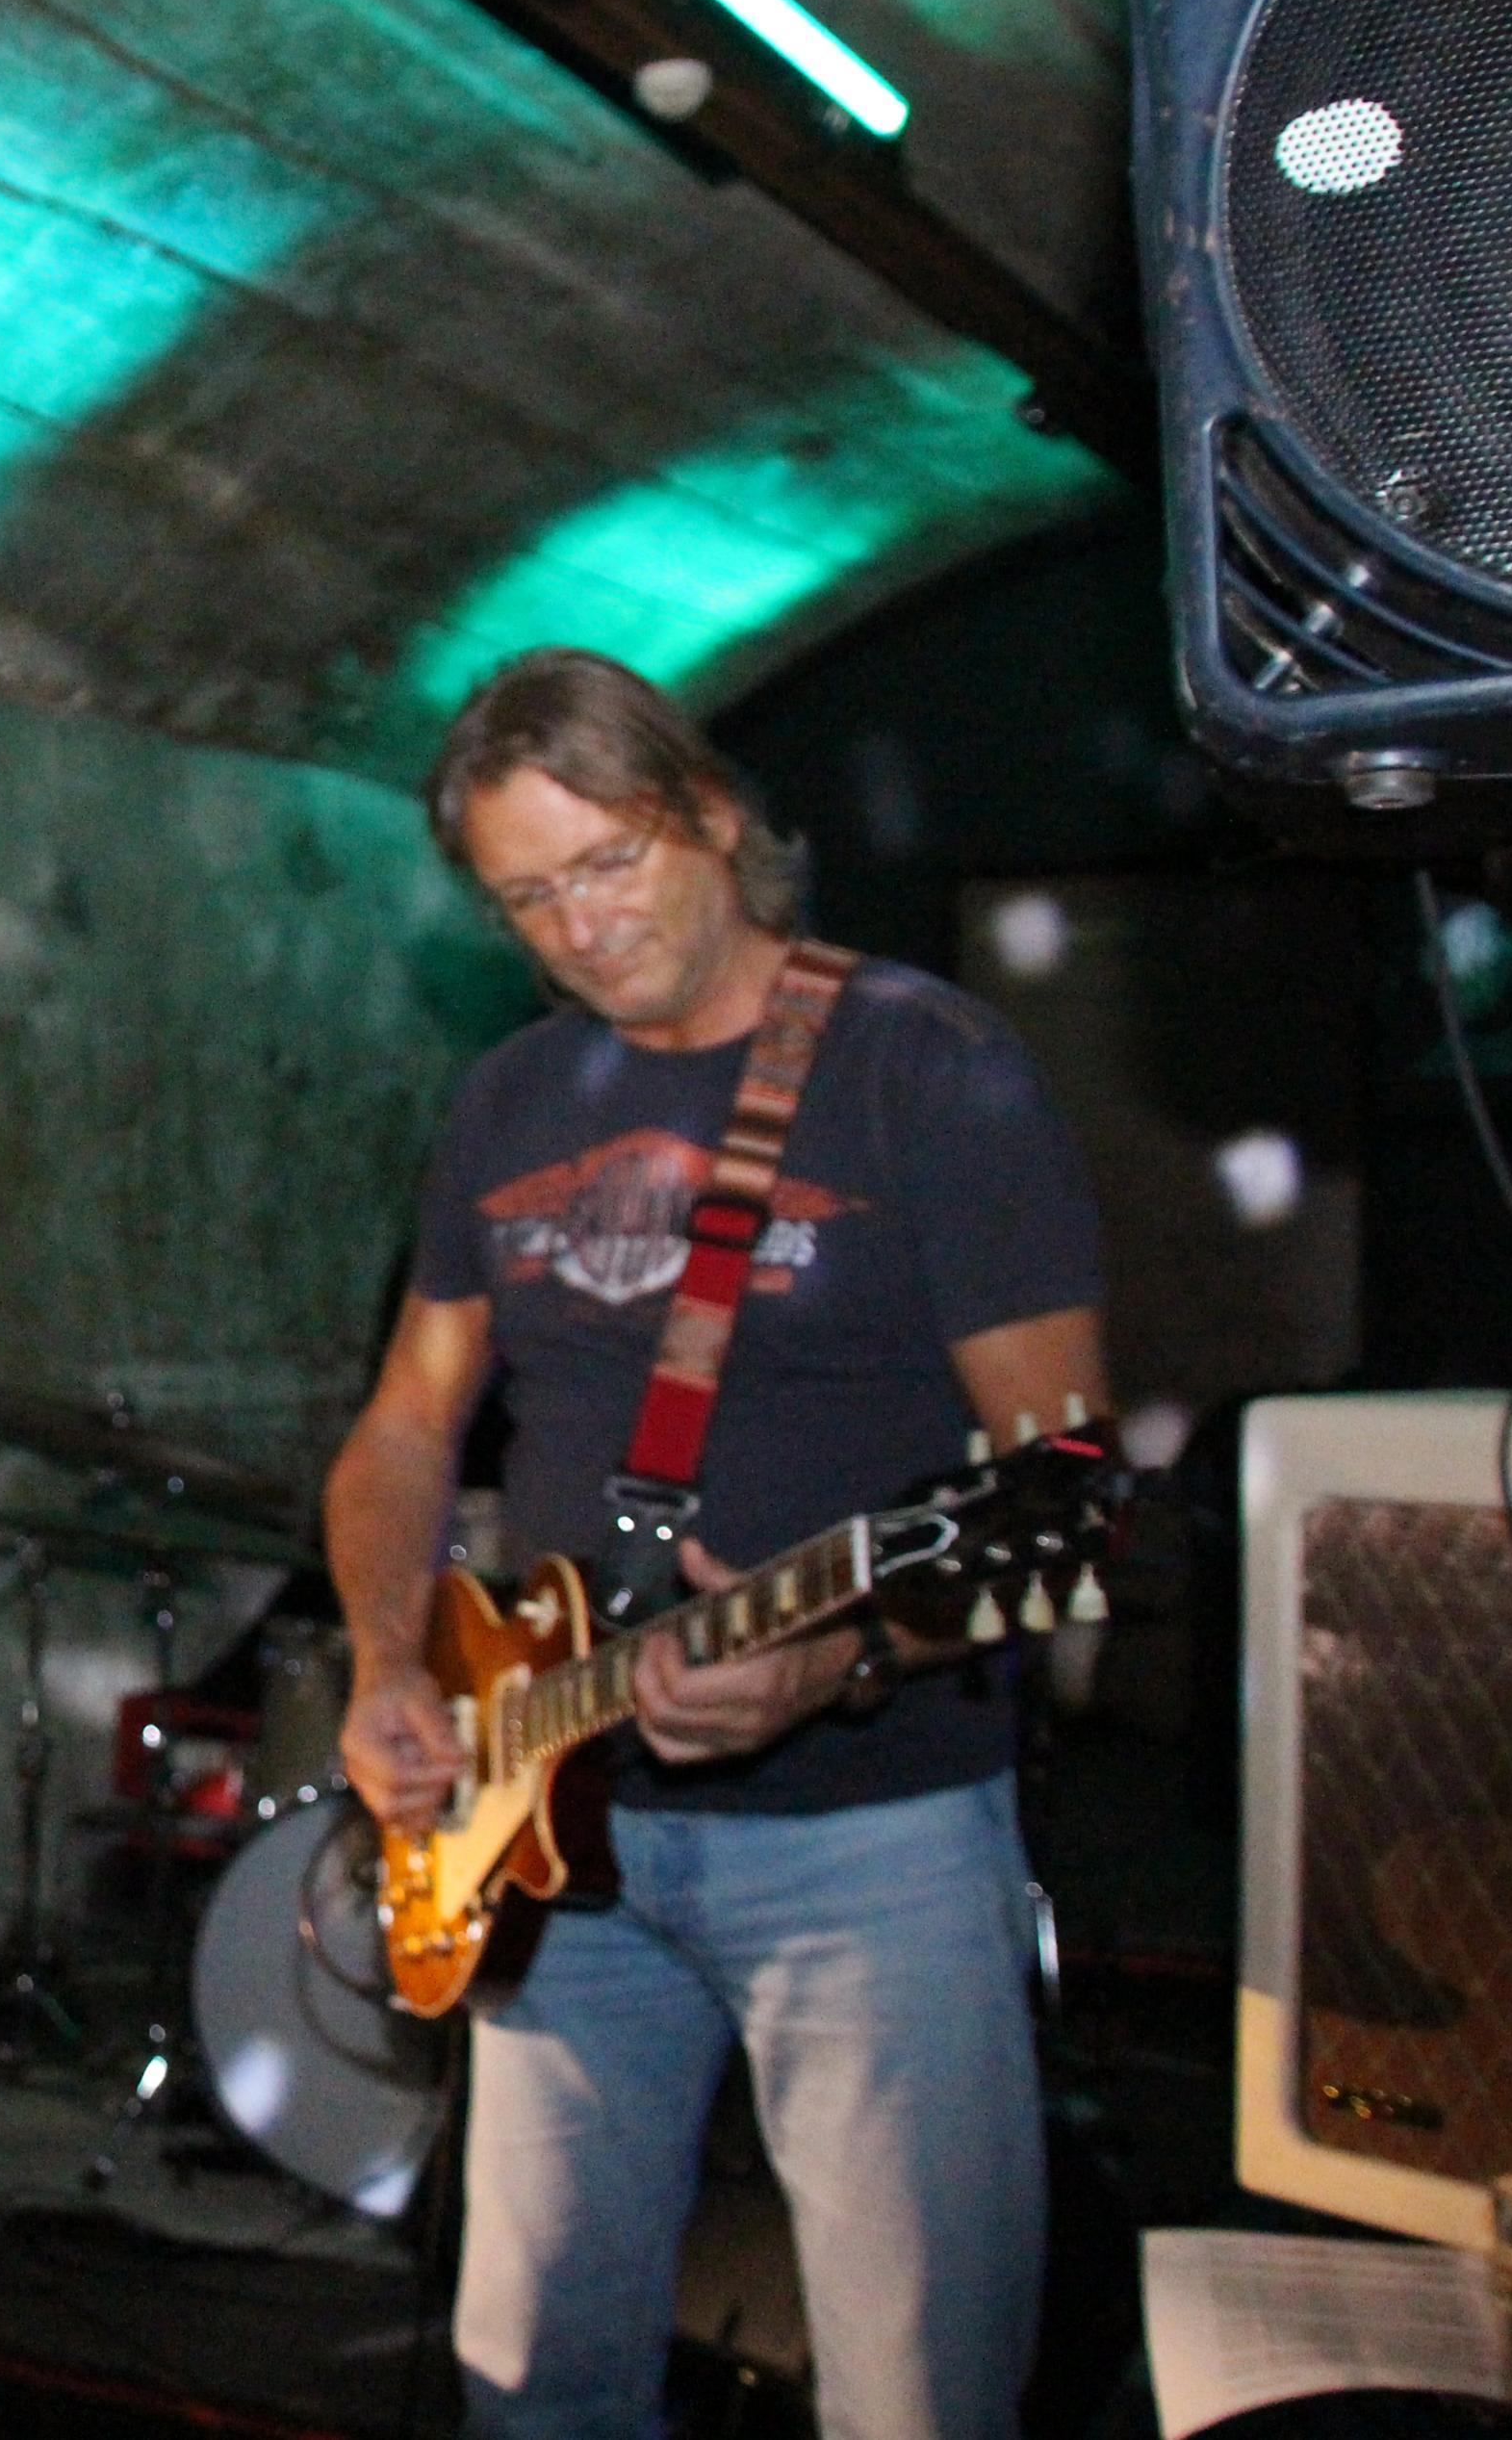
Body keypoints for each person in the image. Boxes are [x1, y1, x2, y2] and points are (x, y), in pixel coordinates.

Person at [327, 649, 1106, 2440]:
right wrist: (382, 1659)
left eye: (609, 863)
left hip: (871, 1843)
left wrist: (841, 1651)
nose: (580, 927)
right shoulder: (506, 1101)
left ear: (713, 815)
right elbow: (406, 1426)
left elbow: (1061, 1488)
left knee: (916, 2399)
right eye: (530, 897)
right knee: (536, 2386)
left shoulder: (930, 1070)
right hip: (550, 1821)